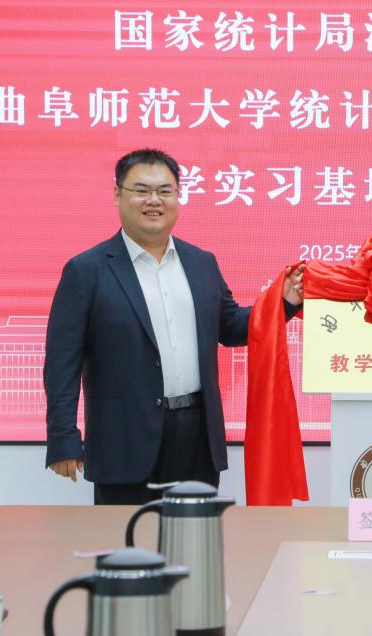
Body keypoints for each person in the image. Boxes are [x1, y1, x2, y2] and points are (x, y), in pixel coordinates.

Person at [44, 148, 304, 504]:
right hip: (124, 438)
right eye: (141, 190)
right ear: (118, 195)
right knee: (128, 536)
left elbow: (230, 327)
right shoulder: (86, 270)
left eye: (165, 191)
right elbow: (62, 362)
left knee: (194, 535)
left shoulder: (201, 263)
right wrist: (62, 437)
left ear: (177, 196)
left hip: (197, 435)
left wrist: (284, 302)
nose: (154, 200)